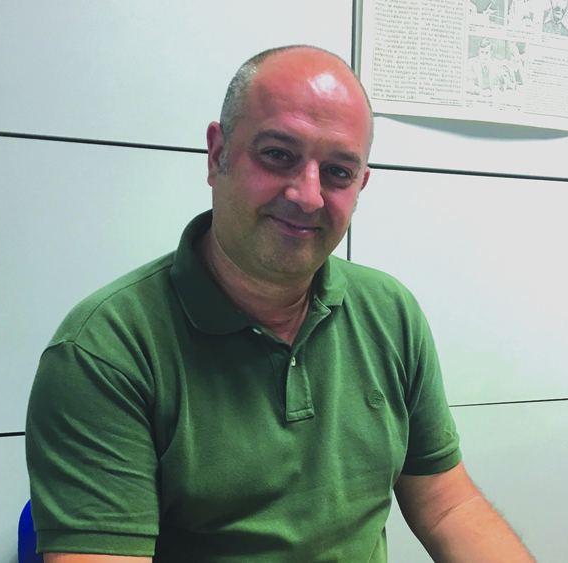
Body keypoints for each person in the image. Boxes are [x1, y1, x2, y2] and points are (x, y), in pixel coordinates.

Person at [26, 45, 536, 563]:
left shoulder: (390, 312)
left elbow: (449, 507)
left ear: (360, 185)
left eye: (338, 171)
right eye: (277, 155)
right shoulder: (103, 351)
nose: (308, 195)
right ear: (217, 154)